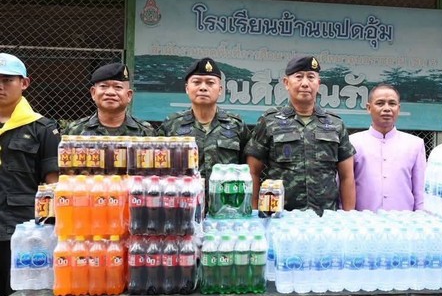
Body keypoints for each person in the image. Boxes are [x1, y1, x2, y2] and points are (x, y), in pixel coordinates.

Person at [245, 55, 356, 214]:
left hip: (325, 218)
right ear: (286, 83)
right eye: (298, 77)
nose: (305, 83)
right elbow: (253, 172)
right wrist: (254, 212)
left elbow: (347, 176)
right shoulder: (269, 121)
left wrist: (349, 216)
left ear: (318, 83)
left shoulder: (335, 124)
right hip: (279, 217)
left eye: (311, 77)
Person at [0, 53, 60, 296]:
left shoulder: (42, 129)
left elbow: (53, 183)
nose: (0, 86)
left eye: (7, 80)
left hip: (21, 232)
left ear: (24, 83)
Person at [158, 57, 250, 187]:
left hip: (226, 198)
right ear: (187, 88)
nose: (203, 88)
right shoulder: (171, 125)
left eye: (210, 83)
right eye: (196, 82)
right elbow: (159, 167)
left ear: (220, 89)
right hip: (184, 196)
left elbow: (246, 167)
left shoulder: (236, 125)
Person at [349, 84, 426, 211]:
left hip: (404, 220)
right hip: (362, 220)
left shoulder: (415, 144)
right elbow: (344, 185)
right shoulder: (352, 142)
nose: (387, 108)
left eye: (392, 103)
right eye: (380, 103)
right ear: (368, 108)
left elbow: (420, 191)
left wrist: (421, 217)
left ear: (398, 109)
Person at [64, 63, 155, 136]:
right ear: (93, 93)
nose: (110, 92)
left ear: (129, 95)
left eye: (118, 87)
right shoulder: (75, 131)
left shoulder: (145, 132)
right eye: (104, 86)